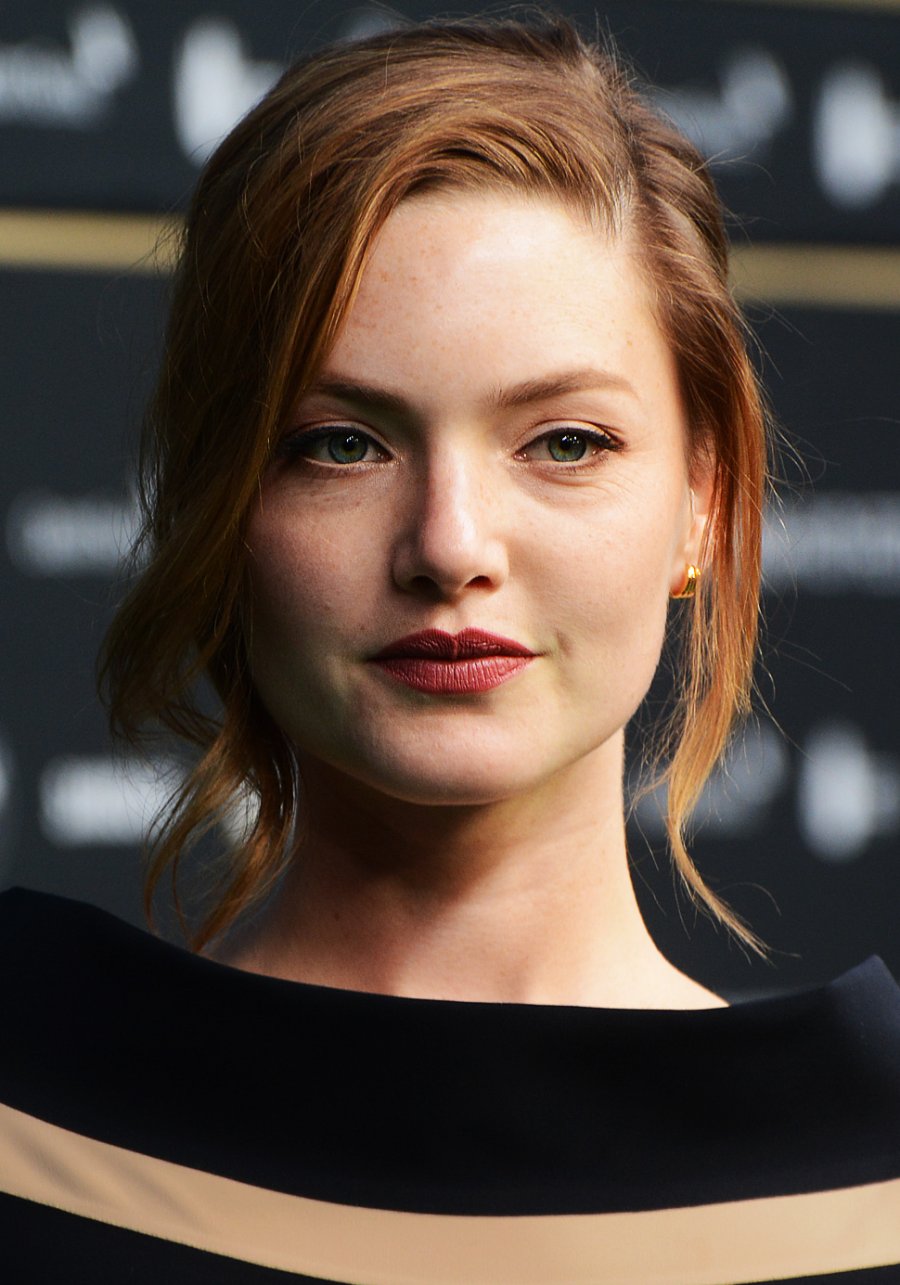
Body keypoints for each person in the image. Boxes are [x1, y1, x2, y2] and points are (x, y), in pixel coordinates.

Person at [1, 12, 898, 1284]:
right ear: (217, 500)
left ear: (704, 505)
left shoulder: (871, 1177)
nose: (450, 544)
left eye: (566, 442)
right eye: (341, 444)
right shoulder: (26, 1106)